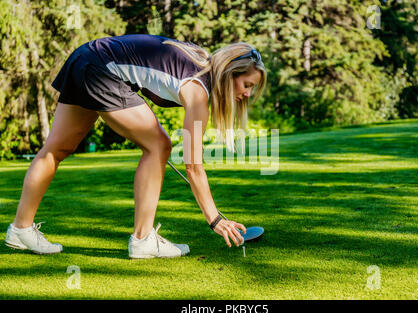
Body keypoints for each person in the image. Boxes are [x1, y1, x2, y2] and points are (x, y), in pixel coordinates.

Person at [5, 34, 267, 258]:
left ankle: (21, 229)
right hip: (101, 68)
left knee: (56, 149)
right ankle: (142, 240)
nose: (247, 95)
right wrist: (215, 219)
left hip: (86, 57)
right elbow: (193, 166)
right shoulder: (198, 91)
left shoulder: (198, 60)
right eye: (247, 85)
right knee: (159, 146)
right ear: (230, 73)